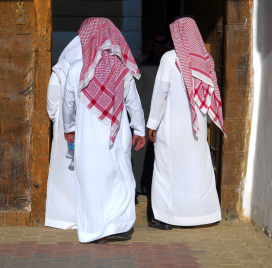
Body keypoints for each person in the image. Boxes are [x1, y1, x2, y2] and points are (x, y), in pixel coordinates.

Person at [62, 17, 146, 244]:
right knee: (120, 178)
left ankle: (95, 230)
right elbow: (133, 103)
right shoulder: (121, 67)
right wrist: (139, 129)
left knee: (92, 181)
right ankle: (121, 226)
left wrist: (69, 128)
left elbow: (68, 104)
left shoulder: (76, 68)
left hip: (88, 137)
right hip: (117, 135)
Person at [147, 16, 225, 229]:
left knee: (166, 171)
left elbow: (160, 92)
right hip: (197, 127)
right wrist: (208, 120)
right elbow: (210, 95)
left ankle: (164, 218)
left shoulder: (170, 58)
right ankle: (202, 215)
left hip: (172, 127)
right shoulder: (205, 59)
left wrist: (152, 123)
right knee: (197, 169)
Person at [131, 33, 172, 212]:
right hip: (145, 114)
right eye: (155, 46)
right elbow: (136, 93)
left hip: (165, 115)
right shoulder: (144, 66)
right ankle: (139, 186)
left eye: (160, 47)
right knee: (140, 152)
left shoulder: (171, 65)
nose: (157, 50)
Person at [45, 35, 82, 229]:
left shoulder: (59, 70)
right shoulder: (94, 68)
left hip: (64, 126)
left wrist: (58, 121)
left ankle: (60, 217)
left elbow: (52, 102)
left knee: (63, 171)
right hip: (88, 125)